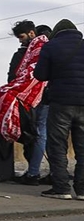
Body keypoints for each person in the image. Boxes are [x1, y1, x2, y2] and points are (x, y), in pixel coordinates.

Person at [33, 19, 84, 200]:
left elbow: (40, 75)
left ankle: (61, 188)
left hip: (61, 102)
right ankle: (82, 189)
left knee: (57, 145)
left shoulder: (51, 46)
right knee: (82, 148)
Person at [5, 20, 49, 186]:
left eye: (21, 36)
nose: (20, 40)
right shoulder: (45, 47)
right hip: (46, 97)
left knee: (37, 134)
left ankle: (33, 173)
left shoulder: (32, 52)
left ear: (32, 33)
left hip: (37, 98)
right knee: (41, 134)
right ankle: (40, 172)